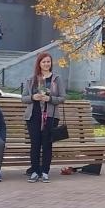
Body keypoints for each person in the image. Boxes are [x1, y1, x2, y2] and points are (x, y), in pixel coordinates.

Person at [23, 53, 62, 182]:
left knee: (47, 144)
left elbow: (62, 98)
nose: (46, 64)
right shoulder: (31, 79)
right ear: (39, 63)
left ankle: (45, 171)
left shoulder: (56, 79)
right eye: (43, 62)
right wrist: (33, 97)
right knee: (35, 144)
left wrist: (49, 99)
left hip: (50, 116)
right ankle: (34, 171)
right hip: (33, 115)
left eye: (48, 61)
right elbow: (23, 98)